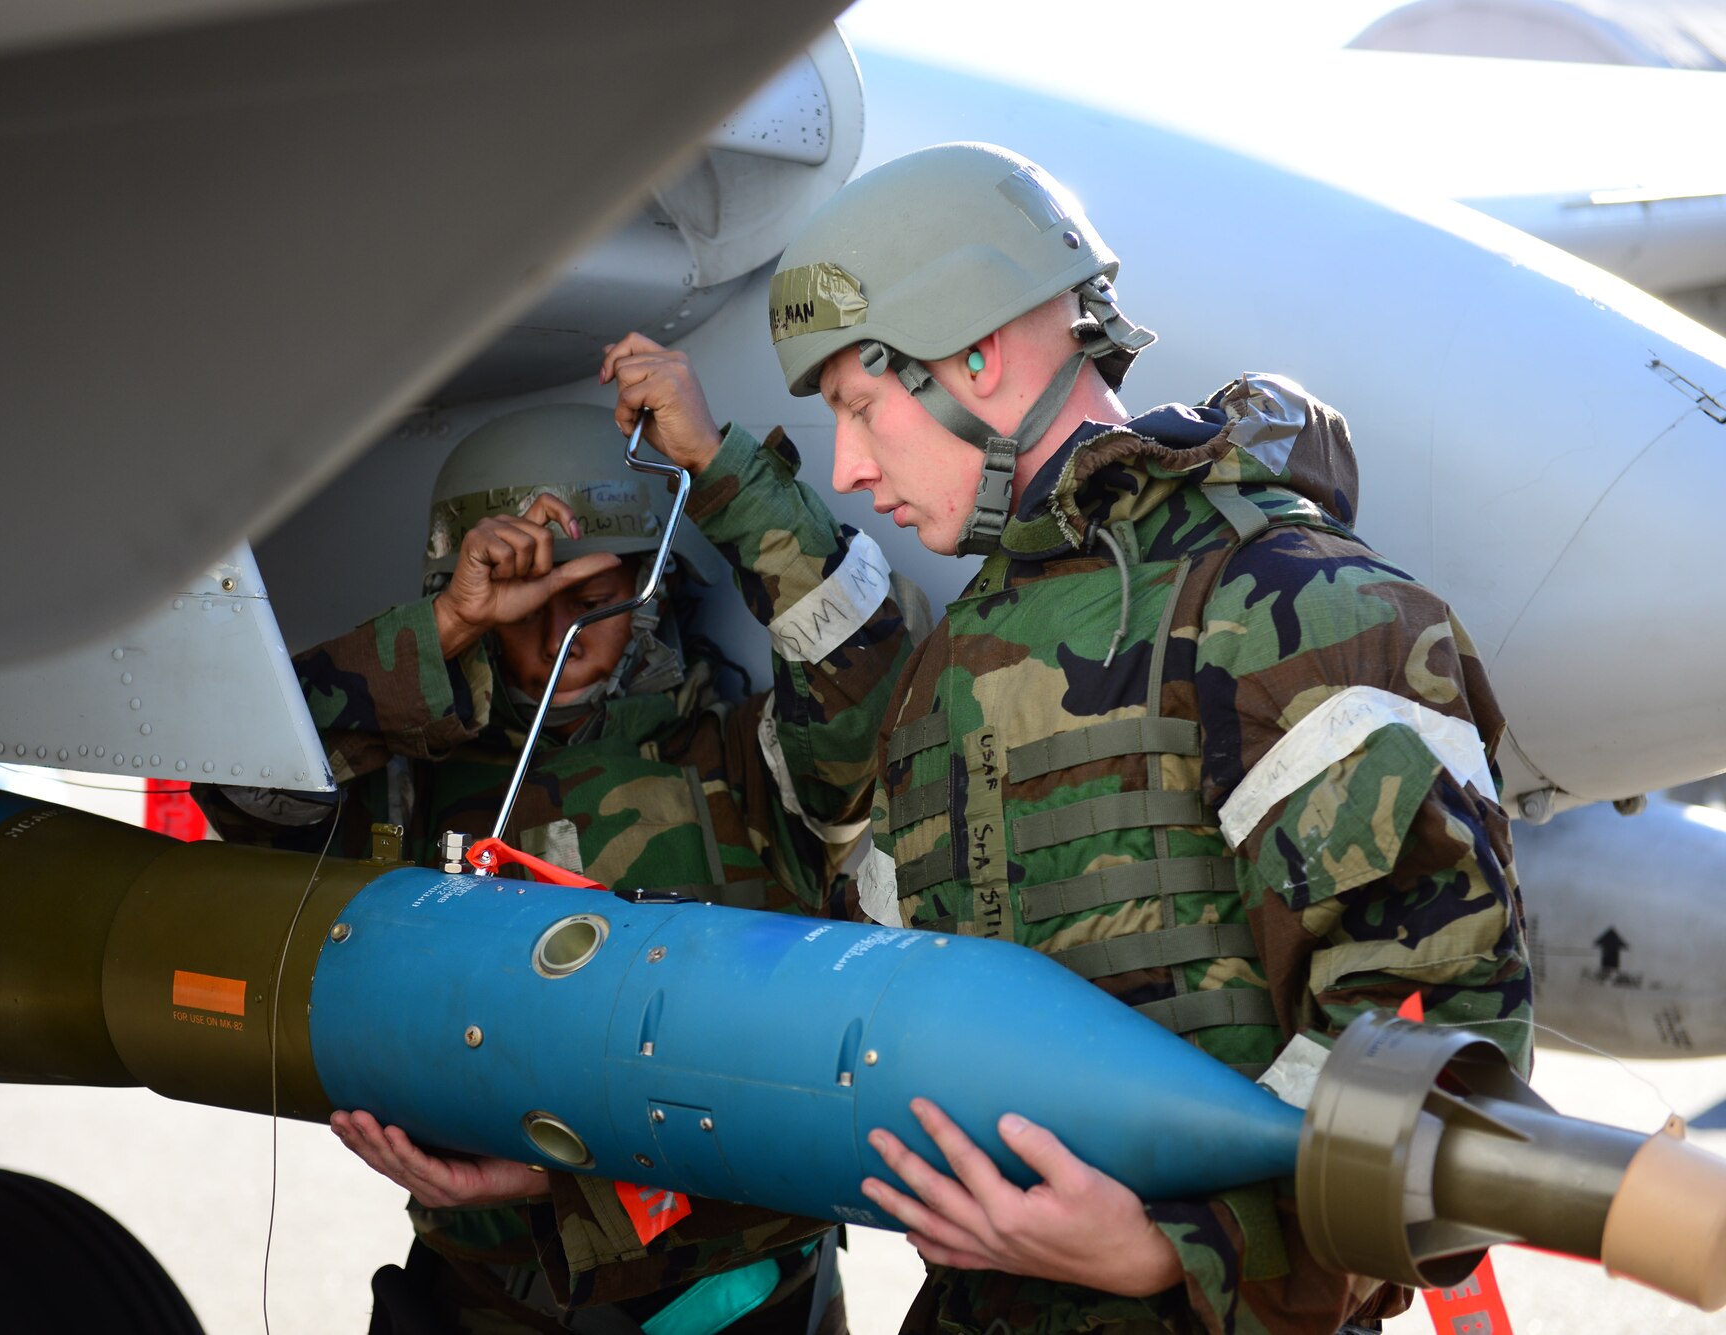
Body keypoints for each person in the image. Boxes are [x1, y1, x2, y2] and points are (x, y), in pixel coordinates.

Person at [764, 141, 1532, 1334]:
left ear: (975, 351)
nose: (848, 470)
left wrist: (1177, 1254)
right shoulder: (948, 666)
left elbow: (1444, 1060)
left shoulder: (1293, 608)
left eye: (860, 408)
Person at [210, 348, 915, 1334]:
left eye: (596, 591)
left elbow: (857, 654)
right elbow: (246, 787)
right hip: (485, 1297)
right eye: (530, 599)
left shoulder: (743, 755)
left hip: (725, 1298)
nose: (563, 626)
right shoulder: (409, 780)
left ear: (653, 586)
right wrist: (445, 628)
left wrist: (715, 463)